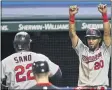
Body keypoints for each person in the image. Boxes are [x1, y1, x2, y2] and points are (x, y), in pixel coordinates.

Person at [69, 4, 111, 90]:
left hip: (99, 87)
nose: (91, 41)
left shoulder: (105, 50)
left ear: (99, 40)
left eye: (94, 38)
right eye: (89, 38)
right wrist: (72, 16)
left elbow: (107, 33)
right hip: (83, 87)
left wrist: (104, 15)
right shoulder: (82, 50)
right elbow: (72, 35)